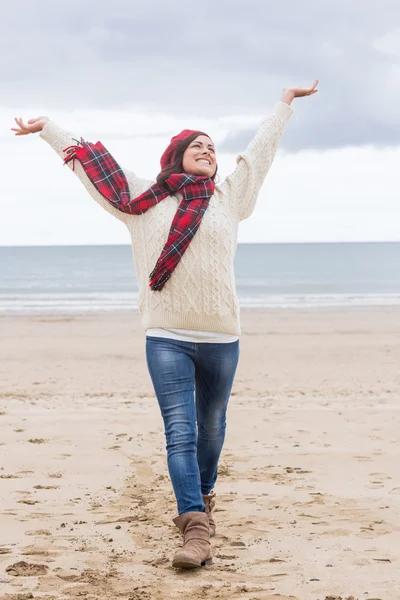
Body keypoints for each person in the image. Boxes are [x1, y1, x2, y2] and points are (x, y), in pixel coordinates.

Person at [11, 80, 318, 569]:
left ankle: (203, 495)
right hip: (166, 335)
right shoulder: (142, 201)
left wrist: (284, 103)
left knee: (211, 427)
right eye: (197, 146)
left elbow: (260, 154)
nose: (209, 152)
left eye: (213, 148)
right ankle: (195, 528)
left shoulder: (229, 199)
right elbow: (94, 170)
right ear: (176, 157)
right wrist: (50, 129)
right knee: (180, 431)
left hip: (221, 335)